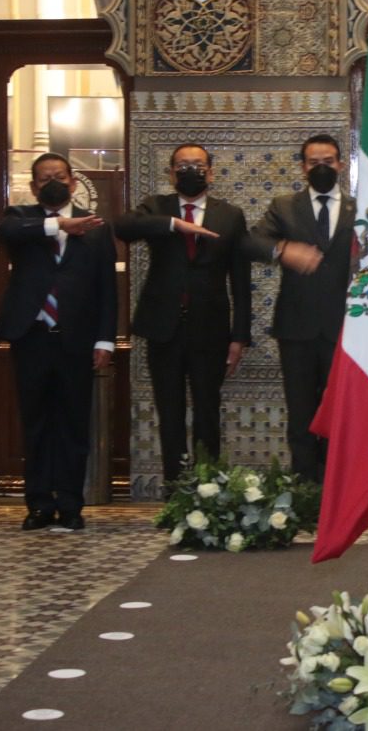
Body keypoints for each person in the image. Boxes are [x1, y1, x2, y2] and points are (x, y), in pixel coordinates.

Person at [115, 143, 251, 490]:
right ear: (171, 173)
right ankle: (176, 490)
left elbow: (241, 280)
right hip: (163, 328)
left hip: (211, 330)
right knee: (169, 411)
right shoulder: (157, 207)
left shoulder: (230, 215)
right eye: (183, 165)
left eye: (198, 165)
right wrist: (175, 224)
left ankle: (208, 489)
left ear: (211, 172)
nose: (191, 171)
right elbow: (123, 227)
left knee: (207, 410)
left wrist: (239, 337)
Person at [0, 152, 117, 531]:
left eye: (60, 177)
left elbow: (107, 289)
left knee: (73, 426)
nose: (53, 183)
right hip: (31, 338)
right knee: (36, 425)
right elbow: (8, 233)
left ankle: (70, 504)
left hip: (76, 340)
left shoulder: (96, 227)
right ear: (34, 187)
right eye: (45, 178)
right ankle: (39, 505)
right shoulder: (20, 218)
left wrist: (106, 341)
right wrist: (60, 224)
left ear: (73, 182)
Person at [247, 134, 354, 482]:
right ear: (303, 167)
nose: (321, 168)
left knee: (338, 412)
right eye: (314, 162)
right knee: (301, 412)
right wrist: (283, 250)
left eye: (328, 162)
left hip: (346, 328)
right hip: (297, 328)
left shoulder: (359, 208)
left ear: (341, 164)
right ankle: (304, 487)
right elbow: (252, 241)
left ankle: (335, 485)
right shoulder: (284, 206)